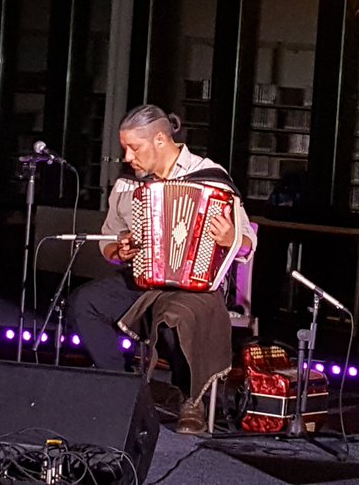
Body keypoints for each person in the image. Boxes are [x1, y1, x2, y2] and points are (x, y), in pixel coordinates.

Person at [67, 104, 257, 435]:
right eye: (124, 147)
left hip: (197, 285)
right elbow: (109, 242)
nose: (127, 157)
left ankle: (190, 399)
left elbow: (247, 245)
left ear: (159, 139)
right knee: (84, 302)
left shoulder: (210, 176)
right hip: (143, 279)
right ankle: (122, 386)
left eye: (133, 147)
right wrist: (120, 250)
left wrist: (231, 238)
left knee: (175, 316)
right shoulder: (128, 185)